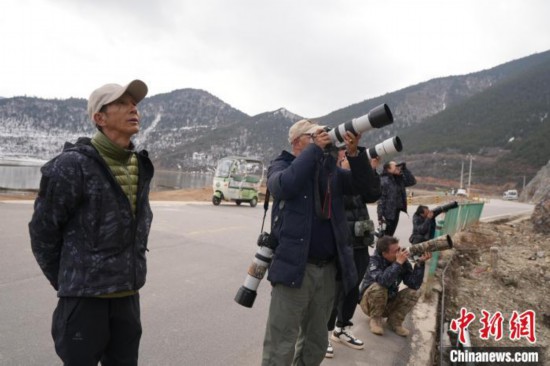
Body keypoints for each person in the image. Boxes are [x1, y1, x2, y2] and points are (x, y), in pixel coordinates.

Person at [29, 79, 154, 366]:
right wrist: (71, 280)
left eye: (134, 103)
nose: (133, 108)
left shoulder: (140, 165)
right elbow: (43, 232)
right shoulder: (71, 166)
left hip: (127, 297)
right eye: (122, 103)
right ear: (100, 118)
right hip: (85, 300)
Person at [261, 119, 378, 366]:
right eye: (316, 135)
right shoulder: (281, 165)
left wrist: (355, 154)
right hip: (294, 269)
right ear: (297, 141)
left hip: (327, 272)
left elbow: (368, 190)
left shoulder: (330, 173)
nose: (324, 137)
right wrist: (315, 149)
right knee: (281, 342)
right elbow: (284, 186)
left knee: (316, 342)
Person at [325, 153, 380, 358]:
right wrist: (351, 172)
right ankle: (324, 333)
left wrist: (371, 170)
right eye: (347, 157)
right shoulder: (335, 178)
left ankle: (342, 328)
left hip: (361, 242)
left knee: (352, 288)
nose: (352, 159)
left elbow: (373, 194)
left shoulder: (359, 178)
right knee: (335, 290)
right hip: (342, 244)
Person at [358, 236, 431, 337]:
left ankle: (394, 322)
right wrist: (398, 263)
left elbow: (414, 284)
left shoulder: (402, 262)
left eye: (399, 249)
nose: (400, 253)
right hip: (369, 304)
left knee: (414, 292)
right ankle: (375, 320)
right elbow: (384, 281)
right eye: (396, 251)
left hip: (388, 303)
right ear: (384, 254)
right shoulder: (373, 261)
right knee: (379, 287)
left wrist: (420, 264)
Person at [377, 161, 417, 236]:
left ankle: (386, 247)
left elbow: (412, 181)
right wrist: (380, 216)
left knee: (389, 236)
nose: (398, 168)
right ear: (388, 169)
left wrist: (405, 169)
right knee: (385, 237)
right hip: (387, 214)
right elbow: (381, 199)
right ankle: (381, 247)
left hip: (396, 212)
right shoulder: (384, 180)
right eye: (395, 167)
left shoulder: (399, 179)